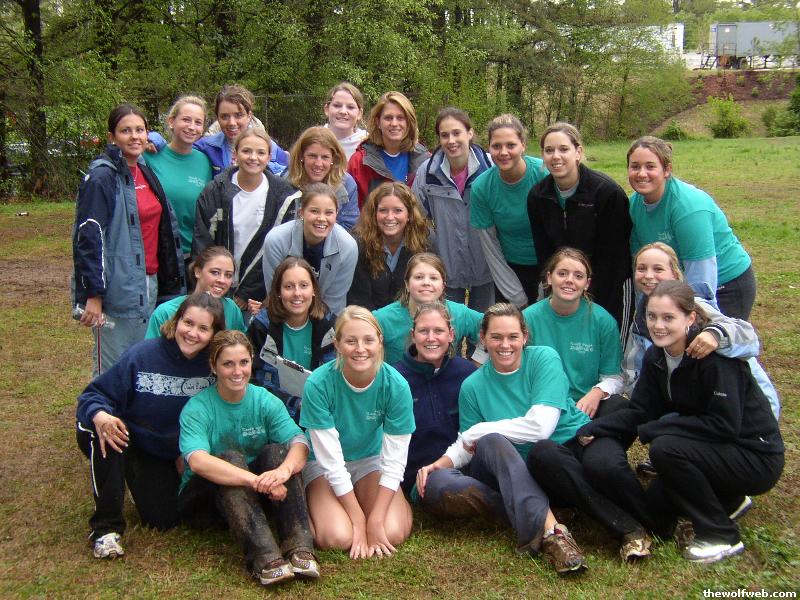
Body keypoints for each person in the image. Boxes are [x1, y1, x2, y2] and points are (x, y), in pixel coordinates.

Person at [575, 281, 784, 564]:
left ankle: (722, 535)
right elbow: (641, 411)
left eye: (668, 318)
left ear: (690, 318)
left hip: (755, 455)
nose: (658, 325)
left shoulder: (715, 360)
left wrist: (658, 429)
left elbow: (724, 425)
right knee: (658, 503)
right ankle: (730, 499)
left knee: (666, 449)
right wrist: (594, 428)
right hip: (716, 449)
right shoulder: (656, 356)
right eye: (652, 316)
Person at [414, 303, 590, 573]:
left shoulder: (542, 359)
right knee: (441, 481)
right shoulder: (472, 385)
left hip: (548, 462)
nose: (504, 345)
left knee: (492, 438)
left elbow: (539, 428)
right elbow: (469, 445)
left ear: (525, 337)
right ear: (483, 338)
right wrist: (441, 463)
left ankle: (552, 531)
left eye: (512, 337)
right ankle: (545, 513)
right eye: (496, 337)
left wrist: (480, 431)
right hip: (502, 468)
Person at [75, 293, 224, 559]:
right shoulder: (143, 355)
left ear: (214, 334)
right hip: (124, 434)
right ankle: (105, 529)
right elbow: (93, 395)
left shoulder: (214, 366)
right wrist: (100, 415)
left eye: (203, 328)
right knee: (111, 433)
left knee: (163, 519)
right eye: (188, 323)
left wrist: (190, 450)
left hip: (161, 447)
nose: (192, 333)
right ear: (176, 321)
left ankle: (133, 477)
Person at [178, 330, 318, 586]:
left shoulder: (264, 400)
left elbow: (299, 443)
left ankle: (299, 549)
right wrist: (255, 481)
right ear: (213, 366)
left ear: (252, 361)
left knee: (277, 453)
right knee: (230, 458)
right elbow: (198, 461)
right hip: (206, 500)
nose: (237, 371)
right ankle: (265, 560)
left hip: (254, 496)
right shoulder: (198, 408)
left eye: (243, 362)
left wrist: (282, 472)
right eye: (228, 364)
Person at [72, 103, 185, 376]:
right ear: (112, 137)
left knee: (142, 362)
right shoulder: (102, 177)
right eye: (125, 131)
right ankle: (103, 406)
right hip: (117, 287)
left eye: (140, 130)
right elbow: (89, 237)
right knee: (114, 368)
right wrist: (93, 294)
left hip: (149, 281)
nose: (134, 136)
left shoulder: (144, 170)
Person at [301, 306, 415, 559]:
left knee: (392, 532)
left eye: (368, 340)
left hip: (369, 461)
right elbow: (330, 461)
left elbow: (395, 459)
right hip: (322, 466)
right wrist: (358, 519)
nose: (360, 349)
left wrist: (375, 520)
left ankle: (388, 503)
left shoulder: (396, 385)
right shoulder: (318, 383)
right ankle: (312, 504)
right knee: (337, 537)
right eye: (351, 341)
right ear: (337, 344)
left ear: (380, 341)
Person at [626, 242, 780, 420]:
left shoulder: (693, 305)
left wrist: (715, 334)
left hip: (746, 409)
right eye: (641, 268)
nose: (648, 275)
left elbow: (749, 339)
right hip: (694, 406)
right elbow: (632, 370)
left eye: (658, 269)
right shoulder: (642, 315)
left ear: (675, 273)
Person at [627, 136, 755, 320]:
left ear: (667, 170)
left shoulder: (688, 207)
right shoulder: (633, 205)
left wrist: (694, 319)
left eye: (650, 166)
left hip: (724, 284)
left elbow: (701, 278)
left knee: (708, 335)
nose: (641, 173)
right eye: (635, 166)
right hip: (678, 281)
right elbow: (639, 265)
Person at [527, 123, 633, 334]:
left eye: (563, 149)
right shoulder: (538, 196)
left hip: (609, 284)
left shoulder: (606, 193)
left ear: (578, 152)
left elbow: (614, 258)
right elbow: (544, 253)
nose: (556, 156)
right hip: (565, 285)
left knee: (605, 337)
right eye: (549, 150)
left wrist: (587, 291)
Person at [194, 128, 295, 316]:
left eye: (260, 152)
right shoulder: (215, 191)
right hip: (216, 288)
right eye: (246, 151)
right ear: (235, 154)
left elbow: (281, 251)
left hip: (256, 296)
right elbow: (203, 242)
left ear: (269, 157)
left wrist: (247, 293)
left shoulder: (284, 196)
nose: (253, 157)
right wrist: (211, 284)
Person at [522, 248, 625, 420]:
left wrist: (597, 392)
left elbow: (614, 377)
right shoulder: (527, 319)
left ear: (587, 283)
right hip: (541, 404)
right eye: (562, 273)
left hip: (585, 406)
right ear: (549, 278)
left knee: (619, 407)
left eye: (578, 276)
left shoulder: (603, 321)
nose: (569, 280)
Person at [412, 107, 495, 314]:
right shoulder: (427, 173)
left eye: (457, 133)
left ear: (470, 133)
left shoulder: (491, 167)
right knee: (449, 324)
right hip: (446, 266)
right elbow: (416, 219)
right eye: (445, 135)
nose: (451, 140)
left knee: (483, 324)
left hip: (486, 263)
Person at [393, 302, 477, 496]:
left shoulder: (466, 373)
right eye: (423, 331)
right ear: (413, 335)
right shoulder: (395, 379)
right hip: (423, 477)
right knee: (445, 483)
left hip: (466, 464)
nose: (431, 338)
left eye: (438, 331)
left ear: (451, 334)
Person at [470, 114, 547, 307]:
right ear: (489, 148)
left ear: (523, 145)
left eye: (511, 145)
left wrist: (546, 285)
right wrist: (516, 297)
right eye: (496, 146)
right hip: (509, 269)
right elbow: (490, 246)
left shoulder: (544, 175)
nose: (503, 152)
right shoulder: (482, 187)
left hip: (548, 265)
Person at [248, 257, 336, 422]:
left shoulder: (327, 324)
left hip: (319, 409)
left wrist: (314, 403)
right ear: (278, 292)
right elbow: (253, 379)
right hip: (272, 411)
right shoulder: (262, 326)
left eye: (304, 285)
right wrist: (294, 403)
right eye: (289, 286)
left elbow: (335, 375)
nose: (297, 293)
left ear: (314, 290)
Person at [262, 183, 358, 317]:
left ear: (336, 214)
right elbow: (275, 293)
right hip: (284, 312)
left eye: (329, 213)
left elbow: (334, 303)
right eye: (314, 211)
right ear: (301, 212)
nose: (322, 219)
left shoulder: (348, 247)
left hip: (325, 316)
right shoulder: (275, 240)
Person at [373, 253, 482, 365]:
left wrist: (477, 365)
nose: (426, 283)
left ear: (443, 285)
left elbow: (490, 327)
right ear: (407, 284)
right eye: (418, 277)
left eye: (433, 278)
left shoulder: (458, 313)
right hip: (400, 375)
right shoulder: (382, 318)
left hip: (447, 375)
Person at [143, 95, 213, 263]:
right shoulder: (150, 155)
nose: (192, 127)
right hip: (159, 253)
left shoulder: (204, 161)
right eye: (186, 120)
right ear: (171, 121)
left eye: (198, 122)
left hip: (193, 254)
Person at [347, 181, 431, 310]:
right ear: (374, 213)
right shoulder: (358, 245)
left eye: (398, 210)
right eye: (383, 210)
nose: (390, 217)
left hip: (409, 317)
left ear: (409, 214)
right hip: (367, 318)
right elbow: (359, 299)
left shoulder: (424, 242)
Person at [347, 91, 429, 208]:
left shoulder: (425, 162)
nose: (394, 123)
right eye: (388, 118)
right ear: (378, 122)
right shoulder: (359, 162)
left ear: (409, 122)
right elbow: (351, 212)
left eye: (400, 118)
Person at [145, 246, 245, 338]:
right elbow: (151, 350)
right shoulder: (166, 311)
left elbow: (241, 344)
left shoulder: (232, 308)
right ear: (198, 272)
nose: (222, 280)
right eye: (215, 272)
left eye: (228, 275)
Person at [282, 126, 359, 231]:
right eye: (312, 156)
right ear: (301, 156)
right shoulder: (286, 181)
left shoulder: (347, 184)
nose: (318, 163)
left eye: (325, 157)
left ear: (333, 158)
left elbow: (350, 226)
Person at [323, 82, 367, 160]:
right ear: (327, 109)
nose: (343, 111)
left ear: (359, 113)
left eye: (350, 107)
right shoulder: (313, 138)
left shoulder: (368, 143)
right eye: (337, 105)